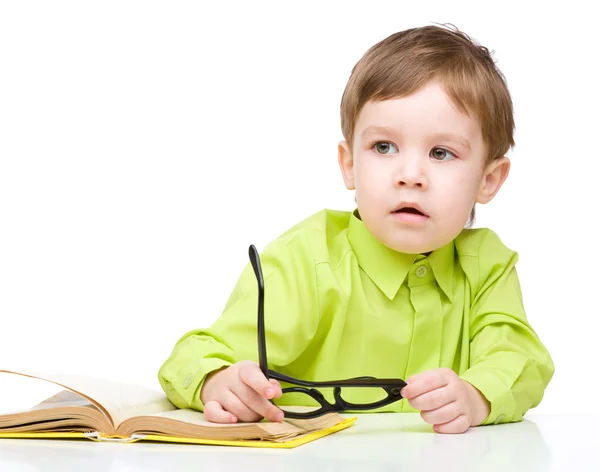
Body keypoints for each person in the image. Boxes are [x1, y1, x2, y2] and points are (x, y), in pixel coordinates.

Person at [158, 24, 554, 434]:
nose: (411, 175)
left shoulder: (486, 265)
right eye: (384, 147)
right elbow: (193, 356)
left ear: (489, 180)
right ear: (349, 164)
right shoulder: (306, 260)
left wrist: (478, 396)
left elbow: (521, 359)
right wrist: (215, 381)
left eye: (441, 152)